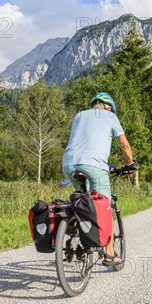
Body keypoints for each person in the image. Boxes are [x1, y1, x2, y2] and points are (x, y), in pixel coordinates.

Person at [62, 92, 136, 266]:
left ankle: (73, 231)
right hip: (94, 166)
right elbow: (124, 144)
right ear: (109, 107)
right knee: (104, 205)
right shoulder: (110, 116)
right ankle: (109, 254)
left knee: (82, 202)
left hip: (69, 164)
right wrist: (130, 164)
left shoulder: (79, 115)